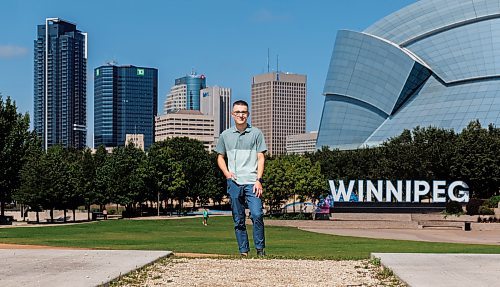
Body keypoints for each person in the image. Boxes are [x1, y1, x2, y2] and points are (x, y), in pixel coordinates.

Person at [215, 100, 267, 257]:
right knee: (239, 219)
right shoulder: (225, 135)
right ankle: (243, 251)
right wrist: (227, 173)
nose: (241, 115)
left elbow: (261, 158)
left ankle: (260, 250)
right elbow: (220, 157)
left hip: (252, 182)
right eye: (237, 112)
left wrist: (259, 179)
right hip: (234, 182)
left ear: (248, 114)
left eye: (243, 112)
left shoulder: (256, 133)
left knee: (257, 214)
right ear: (232, 114)